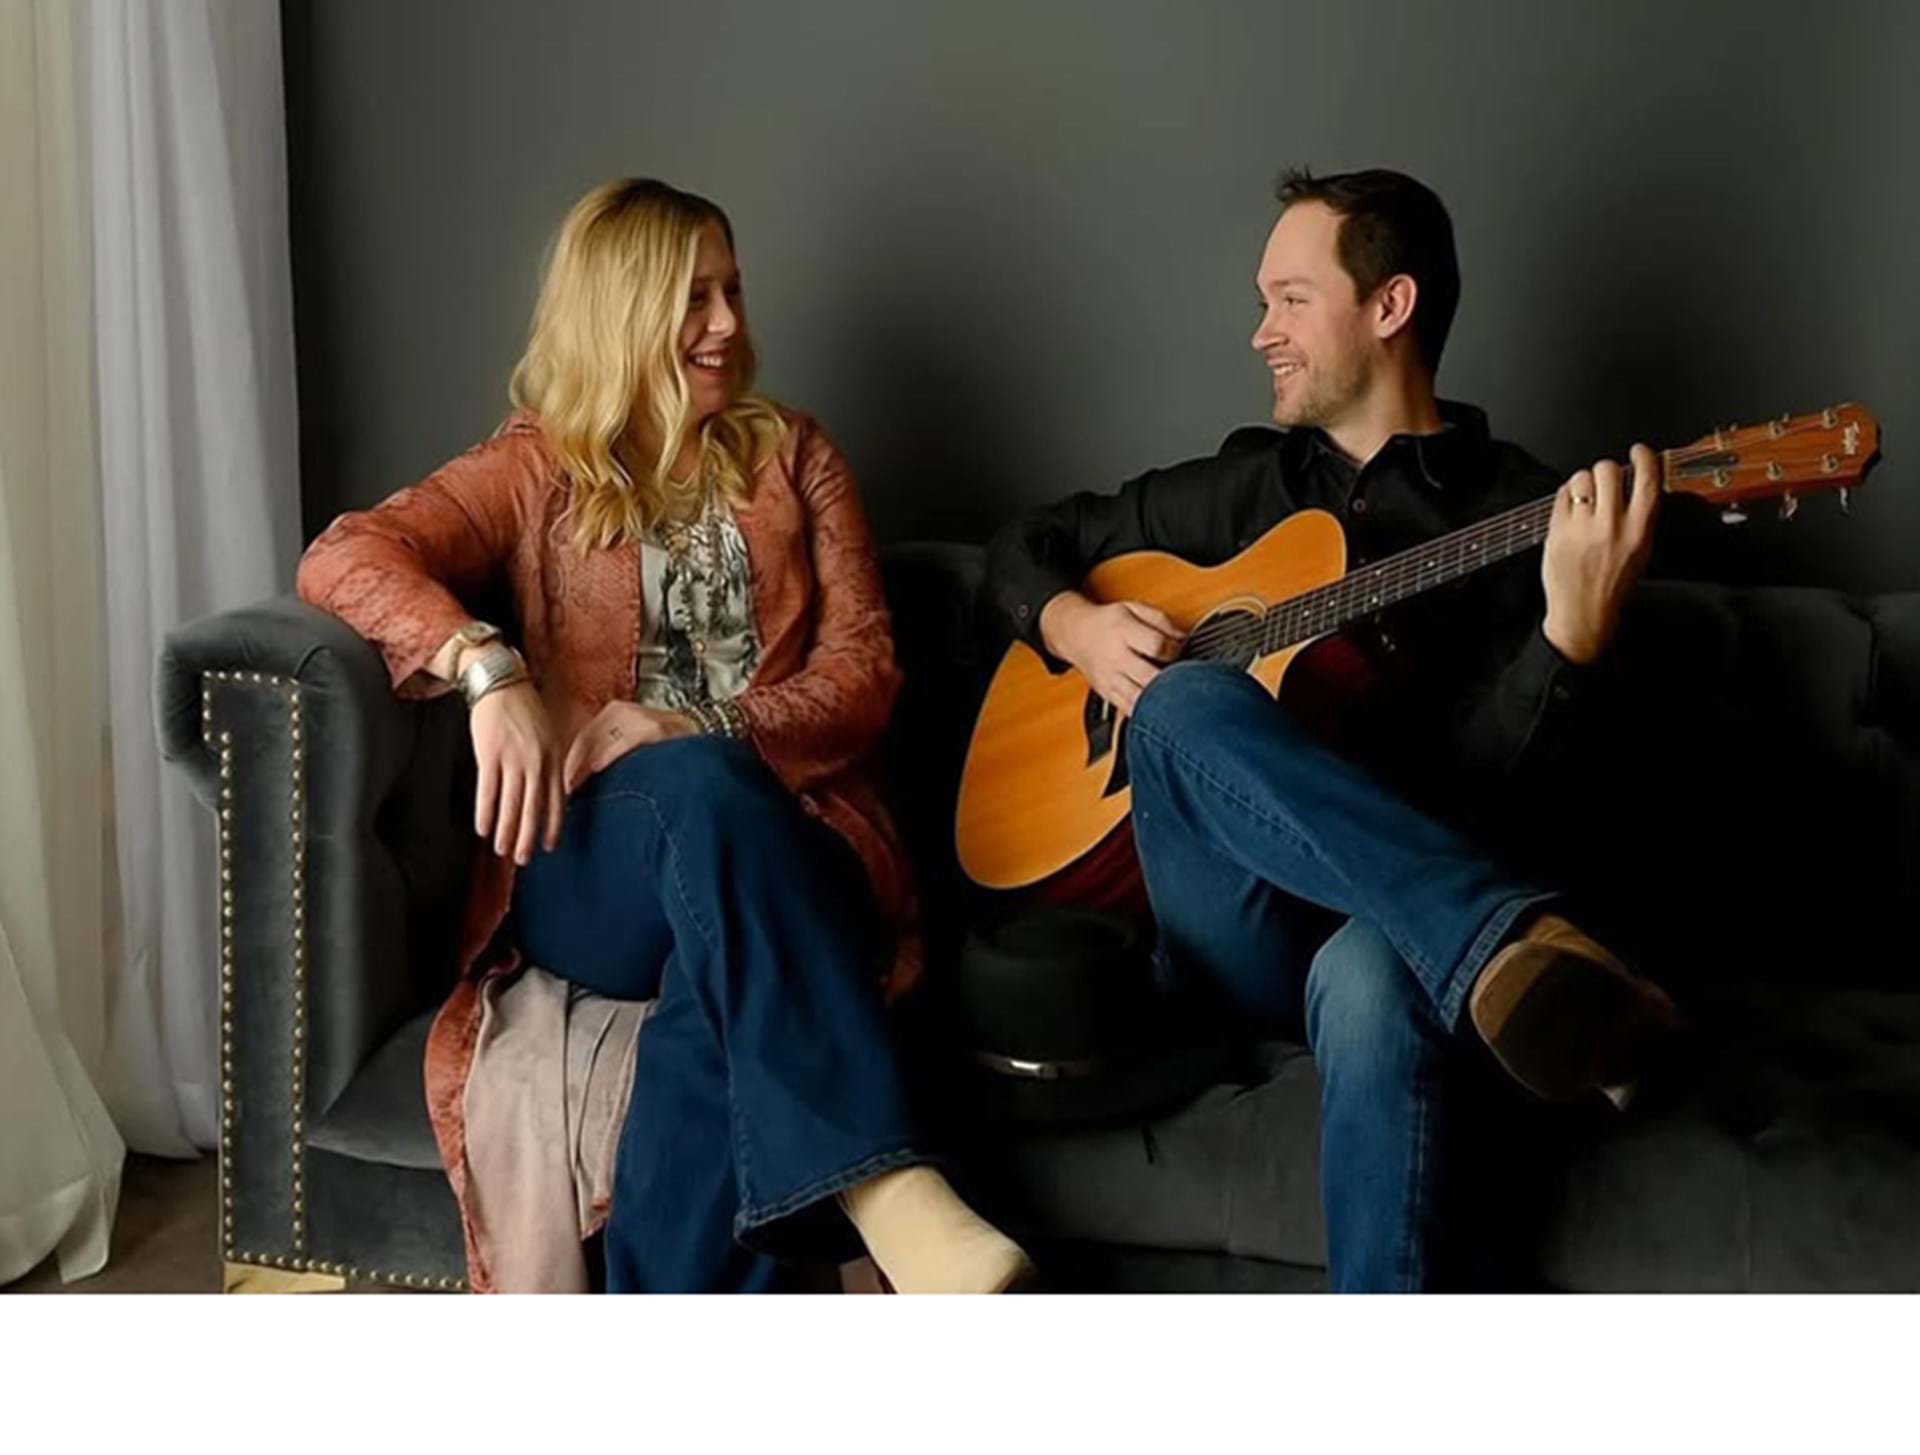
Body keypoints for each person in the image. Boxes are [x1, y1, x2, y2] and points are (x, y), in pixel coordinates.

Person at [298, 177, 1029, 1294]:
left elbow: (864, 675)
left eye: (732, 290)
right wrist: (486, 668)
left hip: (797, 843)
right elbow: (345, 555)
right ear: (622, 310)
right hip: (597, 864)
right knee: (696, 789)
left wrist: (698, 720)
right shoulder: (535, 469)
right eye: (694, 298)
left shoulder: (794, 457)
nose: (728, 322)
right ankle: (887, 1187)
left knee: (714, 993)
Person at [980, 167, 1679, 1292]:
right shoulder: (1244, 488)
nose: (1262, 332)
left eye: (1291, 301)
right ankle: (1506, 940)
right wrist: (1076, 626)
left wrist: (1568, 646)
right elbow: (1025, 544)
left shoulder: (1530, 512)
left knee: (1374, 974)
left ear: (1389, 306)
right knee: (1180, 700)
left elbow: (1507, 802)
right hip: (1231, 933)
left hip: (1387, 946)